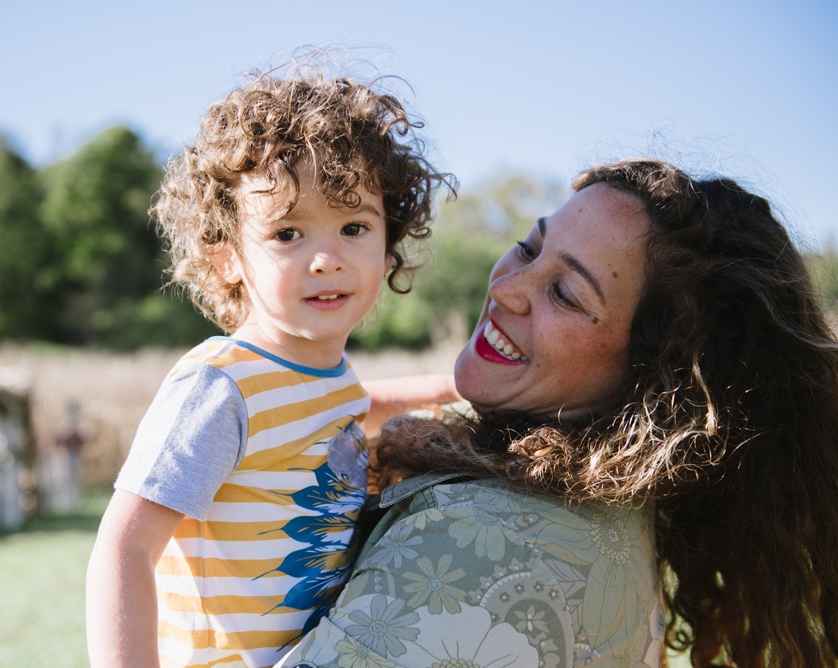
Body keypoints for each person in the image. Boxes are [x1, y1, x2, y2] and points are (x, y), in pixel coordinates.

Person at [278, 158, 838, 668]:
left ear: (652, 373)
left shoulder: (480, 541)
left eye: (566, 294)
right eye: (528, 247)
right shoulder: (602, 510)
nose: (508, 288)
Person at [84, 62, 455, 668]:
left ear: (389, 245)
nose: (327, 258)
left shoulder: (329, 380)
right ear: (227, 259)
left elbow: (360, 405)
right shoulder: (220, 387)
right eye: (288, 234)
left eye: (354, 226)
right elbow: (124, 547)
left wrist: (460, 386)